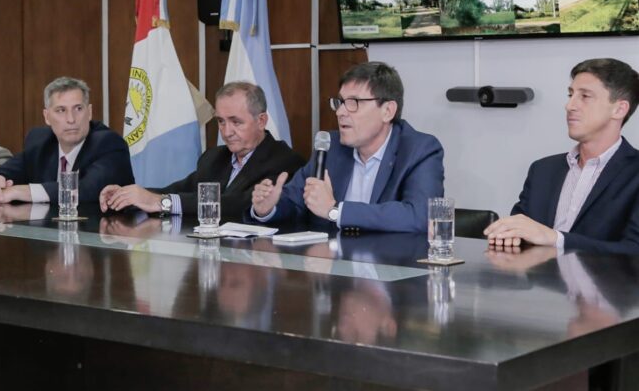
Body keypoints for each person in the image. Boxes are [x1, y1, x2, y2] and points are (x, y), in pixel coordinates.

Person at [251, 61, 444, 233]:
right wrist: (268, 208)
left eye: (354, 103)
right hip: (330, 260)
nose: (340, 112)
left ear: (387, 111)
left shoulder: (419, 150)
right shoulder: (331, 147)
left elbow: (420, 216)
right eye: (340, 102)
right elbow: (295, 202)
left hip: (391, 261)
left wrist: (335, 211)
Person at [485, 58, 639, 254]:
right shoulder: (542, 170)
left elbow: (634, 251)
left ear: (619, 109)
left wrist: (555, 238)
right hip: (535, 274)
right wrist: (508, 235)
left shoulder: (634, 173)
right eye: (570, 94)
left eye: (585, 96)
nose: (569, 105)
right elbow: (519, 233)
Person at [99, 82, 304, 220]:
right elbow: (180, 190)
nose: (227, 132)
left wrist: (160, 202)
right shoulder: (215, 157)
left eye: (236, 122)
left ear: (261, 121)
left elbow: (239, 204)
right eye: (221, 122)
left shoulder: (285, 161)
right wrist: (128, 196)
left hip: (255, 262)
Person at [0, 77, 133, 205]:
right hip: (49, 238)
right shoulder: (40, 141)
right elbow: (1, 173)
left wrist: (19, 191)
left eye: (78, 109)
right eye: (61, 110)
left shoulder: (109, 143)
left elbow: (86, 190)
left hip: (101, 239)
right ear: (47, 117)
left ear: (90, 112)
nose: (71, 119)